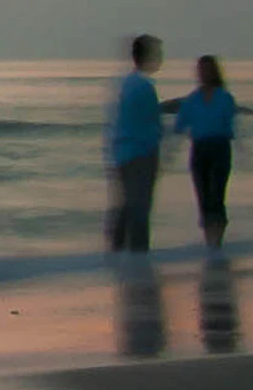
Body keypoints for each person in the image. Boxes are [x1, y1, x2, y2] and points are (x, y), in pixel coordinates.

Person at [101, 32, 166, 252]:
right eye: (157, 54)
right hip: (140, 153)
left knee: (126, 206)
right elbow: (150, 125)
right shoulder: (143, 86)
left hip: (123, 152)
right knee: (139, 209)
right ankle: (137, 257)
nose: (160, 59)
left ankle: (118, 253)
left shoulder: (125, 84)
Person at [177, 54, 241, 248]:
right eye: (200, 70)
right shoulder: (192, 99)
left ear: (214, 72)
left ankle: (217, 241)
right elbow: (179, 126)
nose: (203, 74)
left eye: (207, 70)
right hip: (199, 149)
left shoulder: (225, 97)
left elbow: (231, 127)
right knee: (203, 197)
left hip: (220, 148)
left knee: (216, 195)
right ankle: (210, 242)